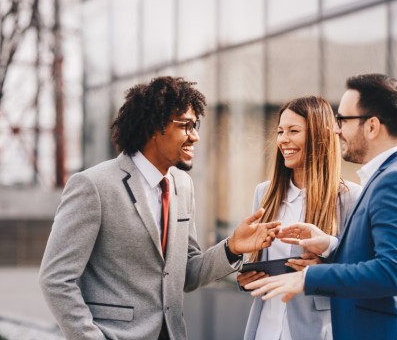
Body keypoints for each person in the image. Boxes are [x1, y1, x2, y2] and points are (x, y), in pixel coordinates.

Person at [39, 76, 281, 340]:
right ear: (154, 127)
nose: (195, 137)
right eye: (186, 126)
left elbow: (187, 273)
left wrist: (231, 247)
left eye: (196, 125)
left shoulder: (183, 185)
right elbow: (56, 279)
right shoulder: (93, 186)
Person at [245, 74, 397, 339]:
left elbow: (394, 272)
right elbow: (375, 258)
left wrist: (309, 278)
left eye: (343, 120)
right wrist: (328, 244)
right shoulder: (394, 175)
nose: (336, 130)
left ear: (372, 126)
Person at [237, 96, 361, 340]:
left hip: (317, 331)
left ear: (319, 137)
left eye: (294, 131)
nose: (283, 140)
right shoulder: (264, 193)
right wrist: (246, 278)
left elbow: (361, 273)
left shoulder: (350, 198)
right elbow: (252, 258)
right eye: (281, 131)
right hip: (265, 329)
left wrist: (323, 272)